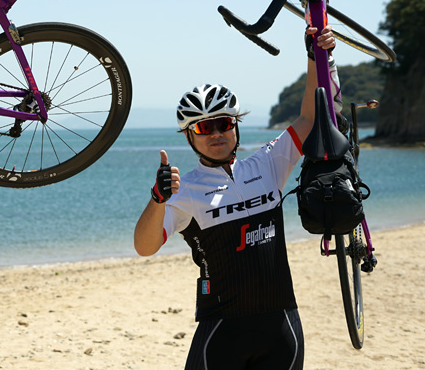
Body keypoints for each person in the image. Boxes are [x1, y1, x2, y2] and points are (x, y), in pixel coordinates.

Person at [133, 25, 337, 370]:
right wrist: (157, 200)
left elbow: (310, 117)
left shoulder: (269, 163)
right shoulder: (185, 192)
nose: (215, 133)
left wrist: (315, 56)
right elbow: (144, 246)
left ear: (236, 126)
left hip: (282, 324)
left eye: (223, 122)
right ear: (189, 137)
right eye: (202, 127)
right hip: (222, 330)